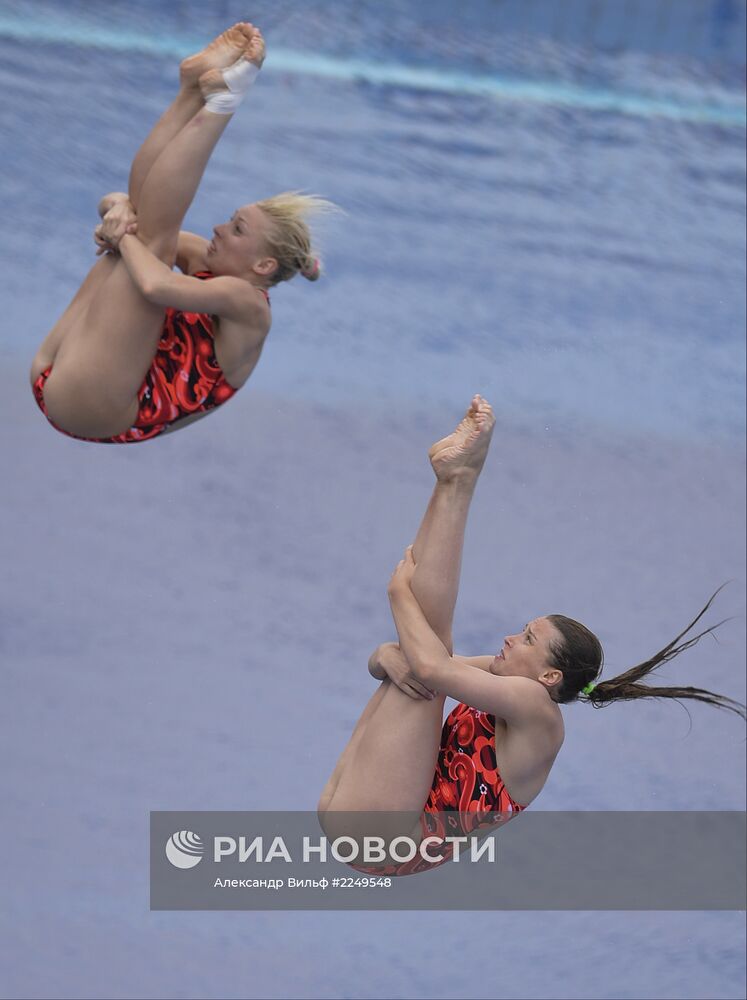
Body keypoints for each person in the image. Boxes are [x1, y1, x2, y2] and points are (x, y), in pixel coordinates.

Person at [317, 395, 745, 877]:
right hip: (366, 821)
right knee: (425, 654)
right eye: (521, 631)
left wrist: (397, 593)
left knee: (429, 650)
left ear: (549, 674)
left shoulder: (537, 712)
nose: (508, 639)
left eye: (526, 639)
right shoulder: (508, 688)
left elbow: (431, 665)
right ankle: (453, 480)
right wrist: (383, 656)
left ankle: (457, 481)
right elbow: (415, 661)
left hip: (384, 837)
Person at [30, 22, 334, 444]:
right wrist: (116, 212)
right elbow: (126, 210)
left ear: (262, 265)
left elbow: (155, 284)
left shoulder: (247, 303)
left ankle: (221, 103)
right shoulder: (210, 263)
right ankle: (193, 92)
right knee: (145, 224)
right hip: (70, 373)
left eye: (236, 229)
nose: (218, 228)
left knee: (150, 244)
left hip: (101, 409)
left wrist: (121, 235)